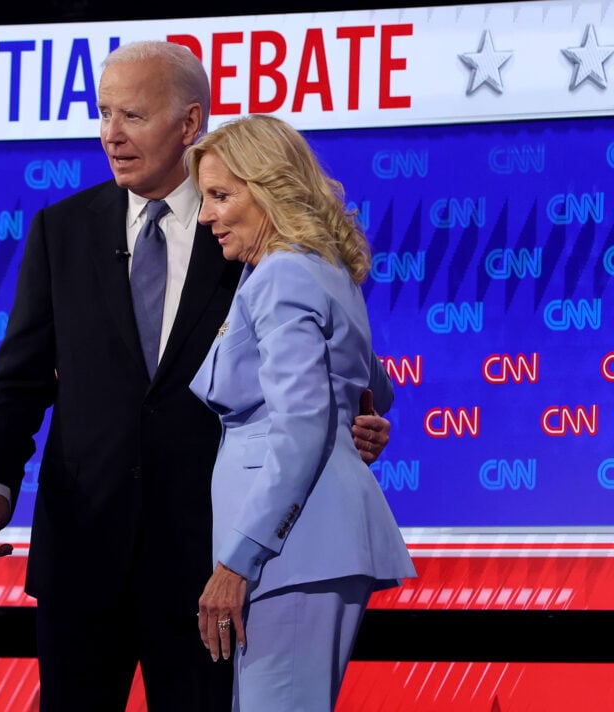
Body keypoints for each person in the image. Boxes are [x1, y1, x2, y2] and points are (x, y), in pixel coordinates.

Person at [0, 42, 394, 712]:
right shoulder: (61, 230)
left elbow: (338, 363)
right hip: (84, 553)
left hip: (209, 559)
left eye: (131, 114)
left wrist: (349, 419)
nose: (111, 133)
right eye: (103, 112)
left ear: (189, 124)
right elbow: (18, 378)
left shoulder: (250, 234)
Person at [186, 114, 416, 711]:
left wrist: (237, 560)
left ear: (269, 187)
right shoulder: (319, 268)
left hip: (293, 548)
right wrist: (356, 419)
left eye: (221, 195)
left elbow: (300, 423)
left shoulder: (282, 274)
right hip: (305, 544)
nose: (206, 214)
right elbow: (368, 390)